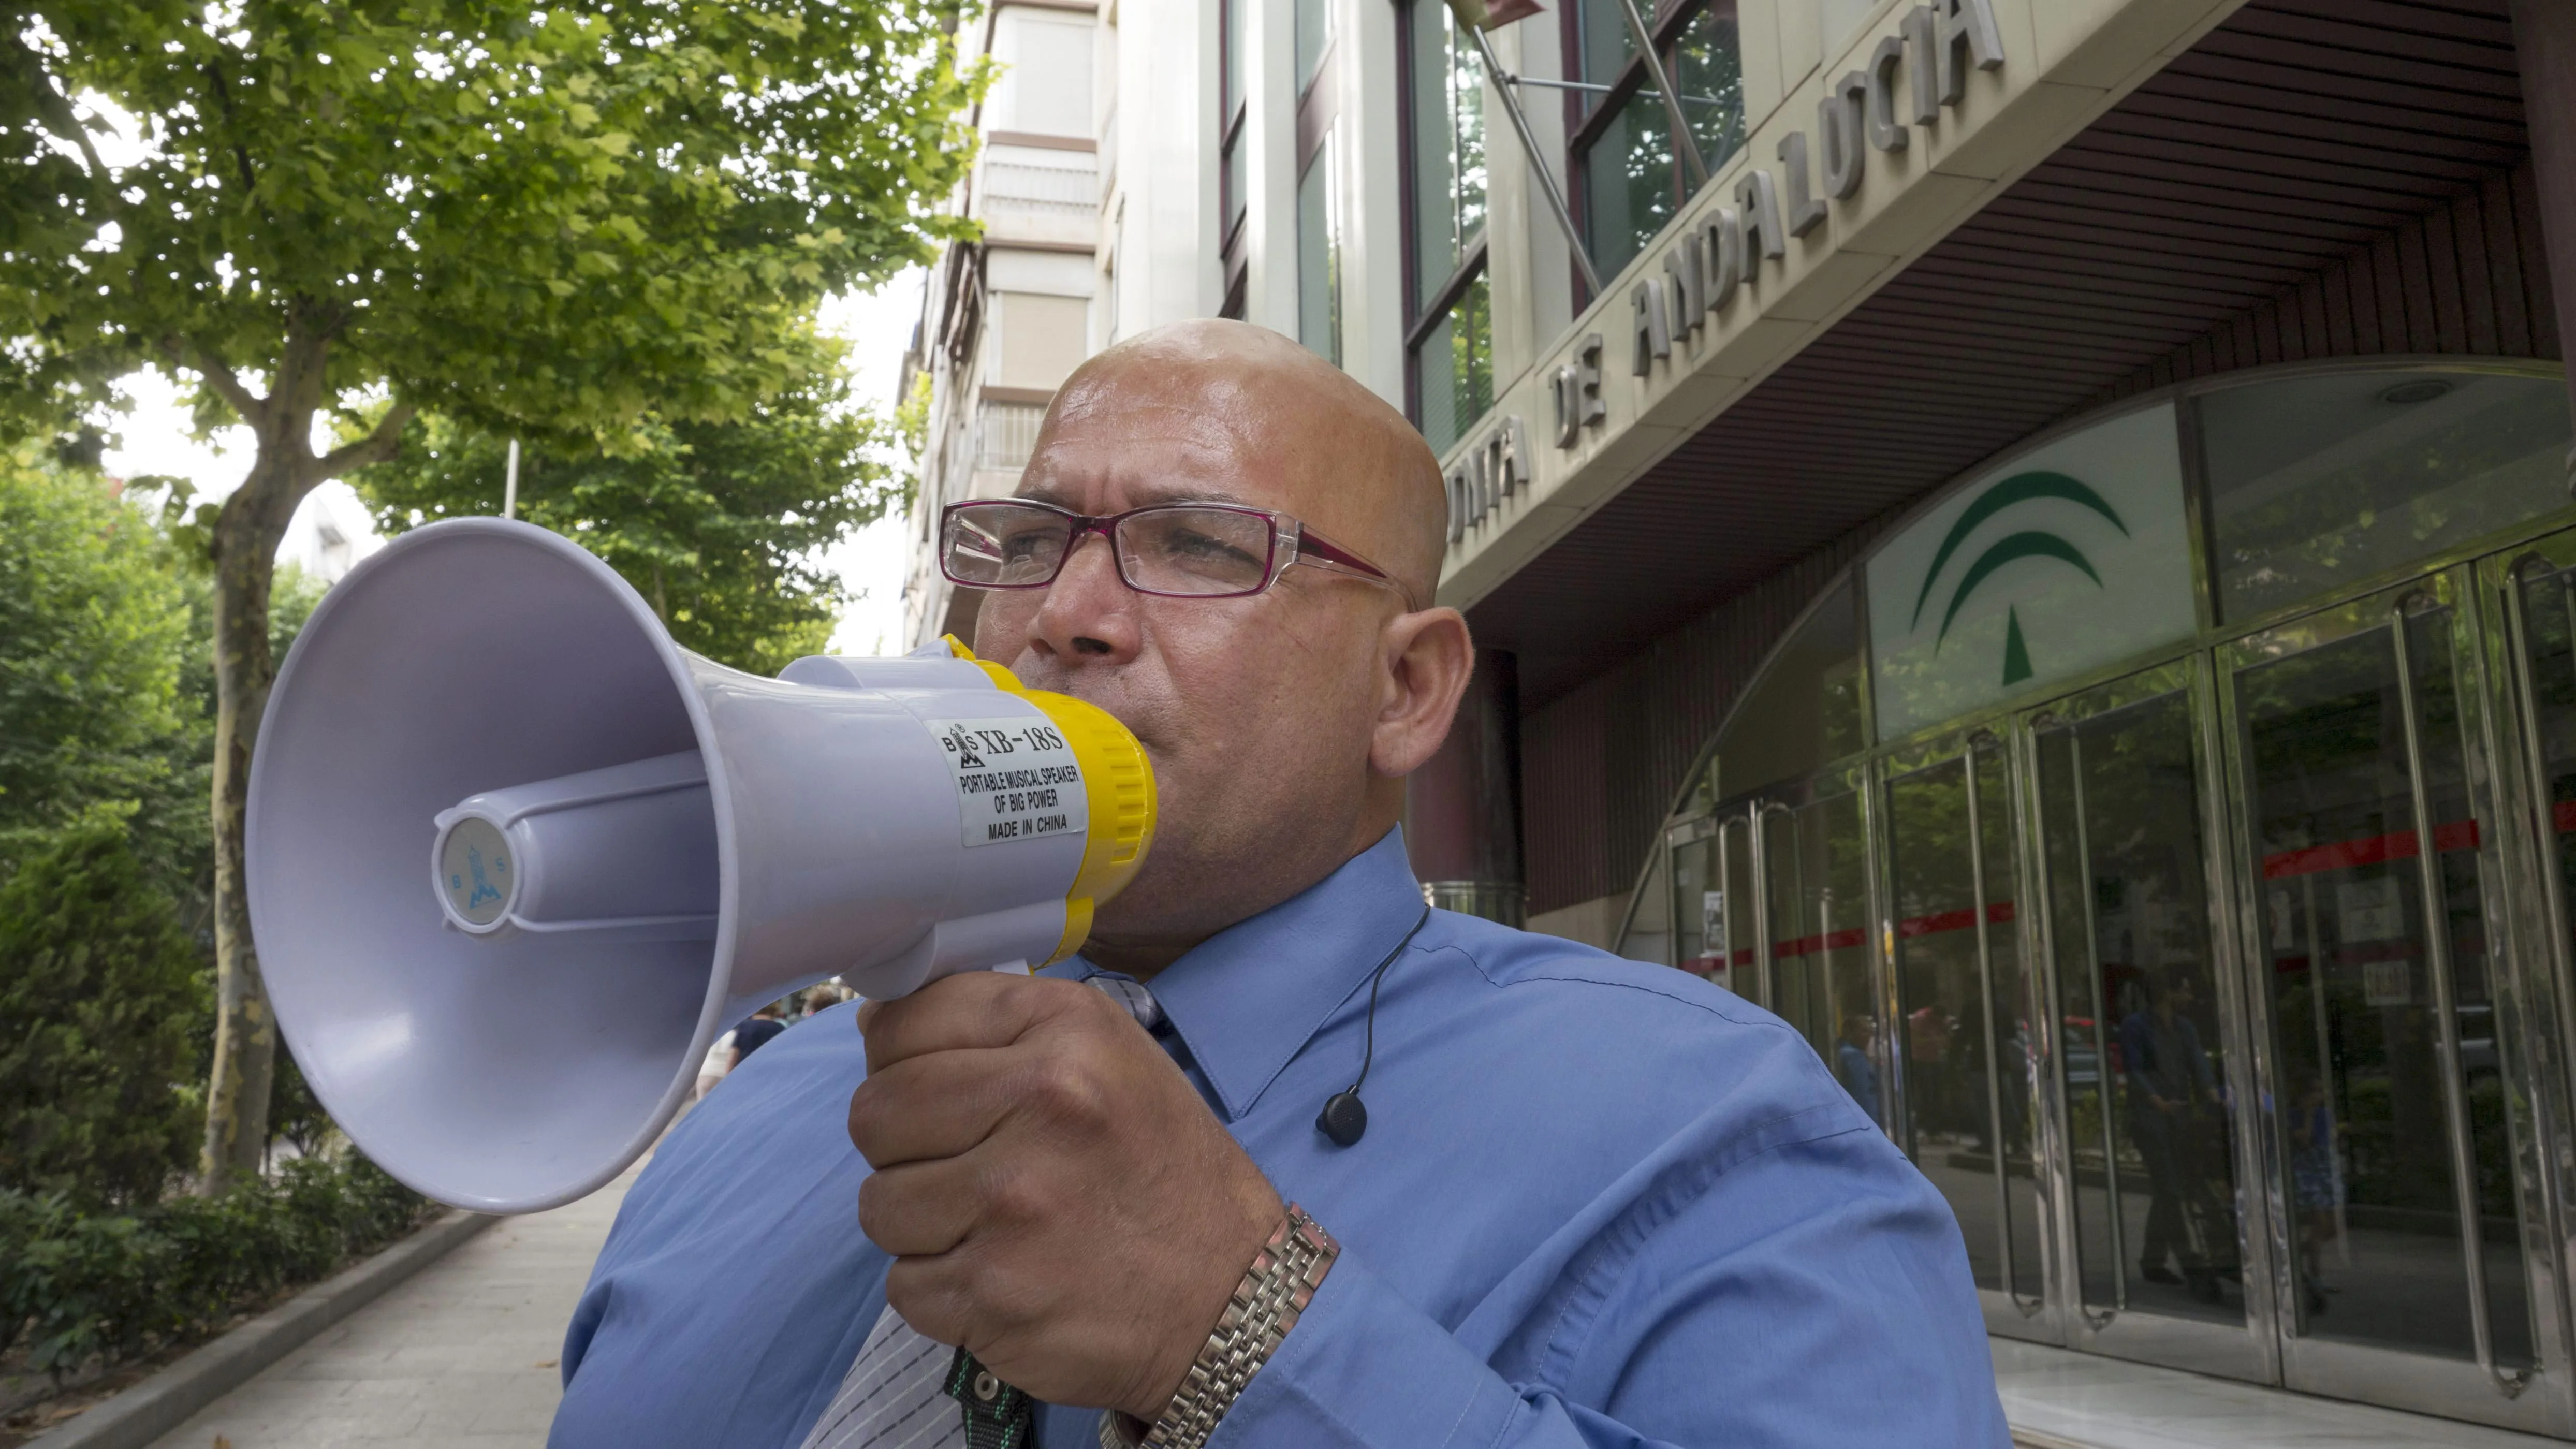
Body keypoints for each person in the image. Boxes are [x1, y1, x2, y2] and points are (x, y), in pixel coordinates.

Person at [550, 321, 2007, 1448]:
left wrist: (1237, 1331)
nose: (1067, 614)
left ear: (1409, 685)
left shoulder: (1719, 1131)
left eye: (1197, 544)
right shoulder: (755, 1117)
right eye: (1033, 539)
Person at [2118, 974, 2223, 1299]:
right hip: (2150, 1119)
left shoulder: (2184, 1028)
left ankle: (2152, 1260)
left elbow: (2199, 1065)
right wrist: (2156, 1101)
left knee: (2170, 1190)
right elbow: (2135, 1071)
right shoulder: (2136, 1027)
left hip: (2180, 1117)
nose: (2190, 996)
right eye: (2186, 989)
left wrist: (2213, 1094)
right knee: (2170, 1189)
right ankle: (2189, 1260)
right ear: (2168, 992)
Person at [1835, 1013, 1884, 1128]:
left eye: (1870, 1032)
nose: (1869, 1036)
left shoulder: (1843, 1051)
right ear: (1850, 1033)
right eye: (1864, 1031)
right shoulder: (1854, 1055)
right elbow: (1862, 1093)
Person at [726, 1001, 788, 1072]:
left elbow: (734, 1054)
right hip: (769, 1073)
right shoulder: (780, 1028)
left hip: (745, 1072)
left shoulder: (745, 1027)